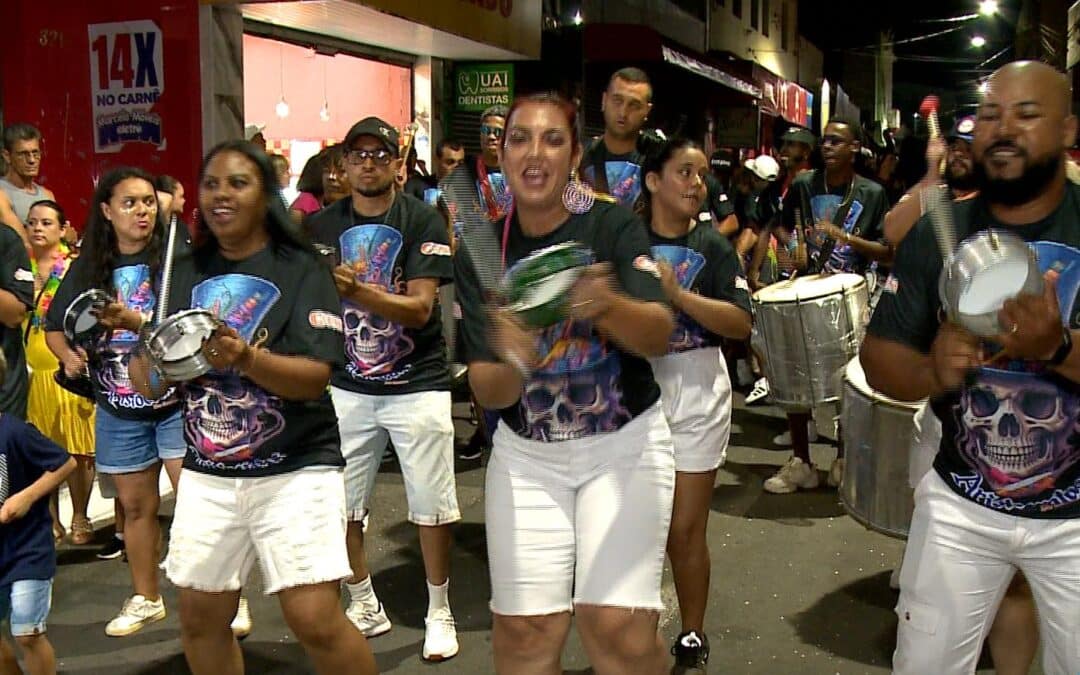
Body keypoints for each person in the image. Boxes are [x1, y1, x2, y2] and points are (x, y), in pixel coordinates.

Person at [120, 140, 375, 675]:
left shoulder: (303, 269)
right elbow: (148, 384)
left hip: (296, 467)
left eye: (238, 182)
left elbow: (315, 379)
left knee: (314, 619)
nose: (221, 194)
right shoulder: (181, 270)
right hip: (209, 472)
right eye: (211, 183)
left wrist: (246, 358)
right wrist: (150, 351)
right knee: (200, 619)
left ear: (265, 195)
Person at [862, 60, 1080, 675]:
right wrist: (931, 372)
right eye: (989, 114)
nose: (1002, 128)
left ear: (1068, 130)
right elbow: (878, 357)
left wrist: (1057, 349)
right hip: (962, 501)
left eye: (1026, 114)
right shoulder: (942, 230)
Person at [454, 91, 676, 674]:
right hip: (527, 457)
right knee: (524, 637)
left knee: (617, 631)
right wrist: (511, 355)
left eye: (552, 139)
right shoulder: (484, 250)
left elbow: (657, 334)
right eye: (520, 138)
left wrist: (605, 306)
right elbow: (491, 392)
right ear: (501, 155)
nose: (535, 153)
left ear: (574, 154)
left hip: (623, 447)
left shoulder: (612, 226)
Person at [307, 116, 461, 661]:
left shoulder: (422, 219)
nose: (368, 163)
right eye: (358, 154)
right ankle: (363, 599)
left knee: (432, 506)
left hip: (418, 383)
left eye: (379, 154)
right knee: (341, 505)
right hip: (347, 385)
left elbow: (421, 309)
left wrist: (359, 292)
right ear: (343, 165)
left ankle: (439, 610)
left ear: (397, 164)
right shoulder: (319, 228)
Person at [43, 168, 183, 637]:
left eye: (147, 202)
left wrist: (136, 320)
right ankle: (146, 596)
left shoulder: (175, 258)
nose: (142, 211)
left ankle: (230, 596)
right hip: (119, 407)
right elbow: (54, 326)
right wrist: (69, 357)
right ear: (106, 210)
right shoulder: (89, 264)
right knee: (136, 508)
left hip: (177, 402)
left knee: (199, 503)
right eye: (129, 203)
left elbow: (194, 326)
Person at [642, 138, 752, 670]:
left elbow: (739, 321)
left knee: (684, 528)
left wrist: (680, 296)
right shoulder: (626, 240)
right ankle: (636, 628)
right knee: (639, 524)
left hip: (699, 389)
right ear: (652, 181)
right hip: (635, 391)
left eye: (701, 174)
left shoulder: (713, 245)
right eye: (683, 172)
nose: (695, 183)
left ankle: (691, 633)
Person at [763, 118, 890, 495]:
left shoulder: (871, 193)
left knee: (848, 379)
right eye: (825, 141)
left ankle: (843, 458)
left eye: (838, 141)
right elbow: (783, 227)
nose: (828, 146)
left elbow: (887, 252)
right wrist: (792, 250)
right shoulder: (804, 185)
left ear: (854, 148)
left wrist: (843, 236)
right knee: (794, 368)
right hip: (808, 286)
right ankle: (802, 461)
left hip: (852, 292)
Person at [22, 201, 96, 546]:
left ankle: (81, 514)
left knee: (80, 450)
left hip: (68, 366)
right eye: (33, 222)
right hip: (34, 371)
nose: (38, 228)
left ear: (62, 228)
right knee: (43, 449)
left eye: (46, 222)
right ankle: (51, 519)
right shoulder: (20, 267)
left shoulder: (73, 267)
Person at [0, 348, 76, 675]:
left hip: (26, 549)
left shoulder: (13, 432)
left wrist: (27, 497)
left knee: (27, 633)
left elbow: (65, 462)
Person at [579, 67, 655, 212]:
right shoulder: (578, 158)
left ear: (647, 111)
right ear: (604, 101)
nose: (623, 112)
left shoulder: (658, 163)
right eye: (617, 101)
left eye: (634, 105)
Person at [1, 124, 55, 247]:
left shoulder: (47, 195)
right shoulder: (1, 195)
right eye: (23, 154)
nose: (31, 160)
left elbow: (63, 237)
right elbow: (22, 243)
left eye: (35, 153)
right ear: (7, 156)